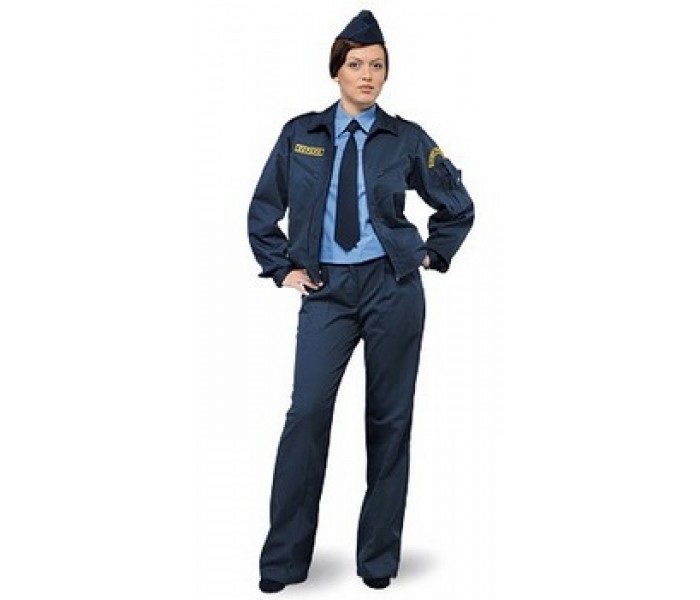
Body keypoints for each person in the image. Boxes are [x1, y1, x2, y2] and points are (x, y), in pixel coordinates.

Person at [248, 9, 475, 593]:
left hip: (392, 287)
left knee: (389, 419)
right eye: (355, 65)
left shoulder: (407, 138)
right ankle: (283, 562)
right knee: (306, 414)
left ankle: (377, 560)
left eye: (377, 65)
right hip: (326, 291)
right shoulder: (301, 134)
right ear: (337, 71)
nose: (367, 75)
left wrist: (432, 254)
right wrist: (282, 267)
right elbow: (263, 208)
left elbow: (457, 203)